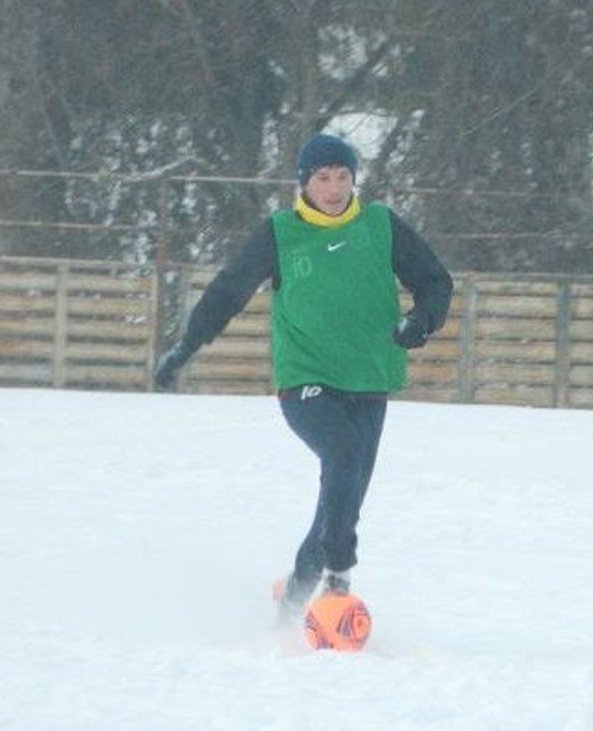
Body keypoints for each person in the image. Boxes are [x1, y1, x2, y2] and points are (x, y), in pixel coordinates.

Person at [154, 132, 453, 621]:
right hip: (306, 379)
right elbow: (228, 291)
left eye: (342, 177)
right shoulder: (280, 234)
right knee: (345, 453)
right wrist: (187, 345)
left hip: (370, 378)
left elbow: (435, 281)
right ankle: (338, 580)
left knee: (341, 504)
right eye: (323, 178)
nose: (334, 188)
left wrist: (421, 321)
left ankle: (291, 603)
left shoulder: (380, 226)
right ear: (304, 183)